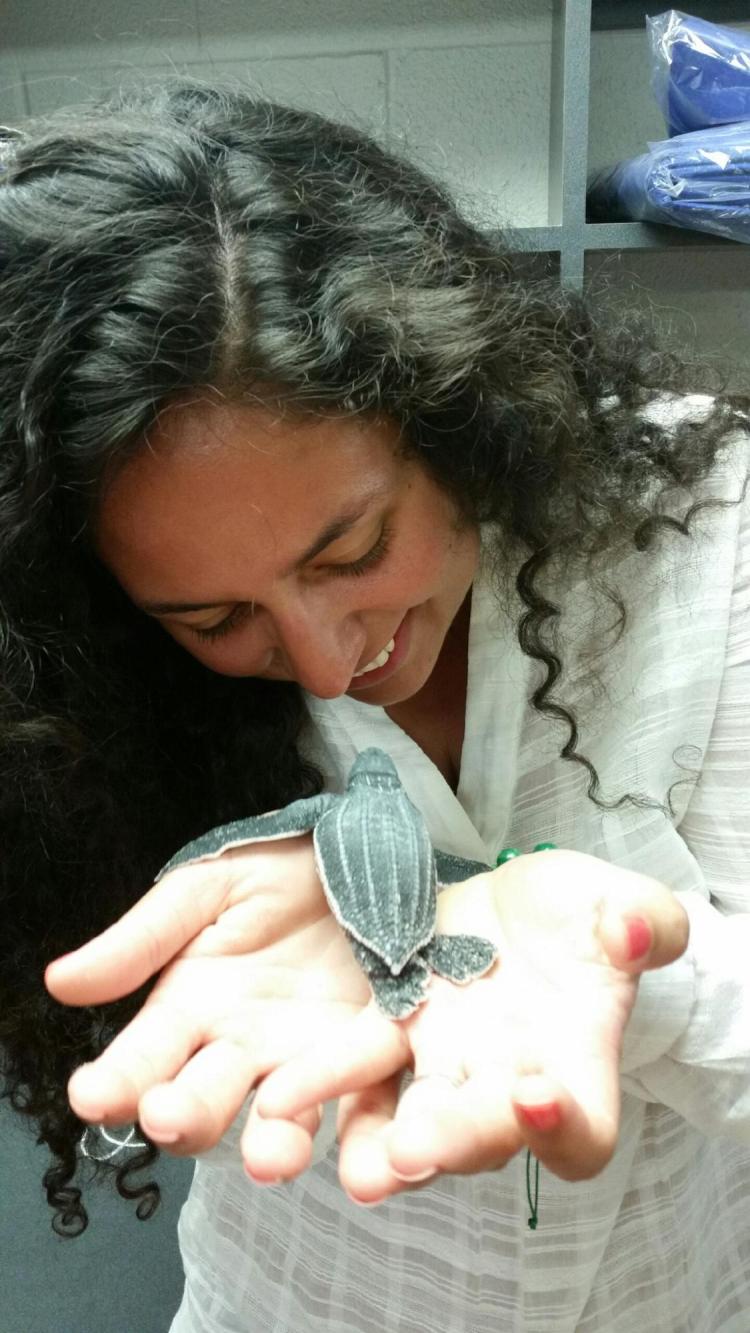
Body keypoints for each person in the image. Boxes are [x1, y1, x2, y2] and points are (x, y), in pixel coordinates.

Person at [1, 82, 748, 1333]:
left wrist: (638, 961)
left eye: (353, 550)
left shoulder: (712, 529)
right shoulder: (95, 697)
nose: (328, 661)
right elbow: (173, 1069)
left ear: (452, 414)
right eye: (215, 620)